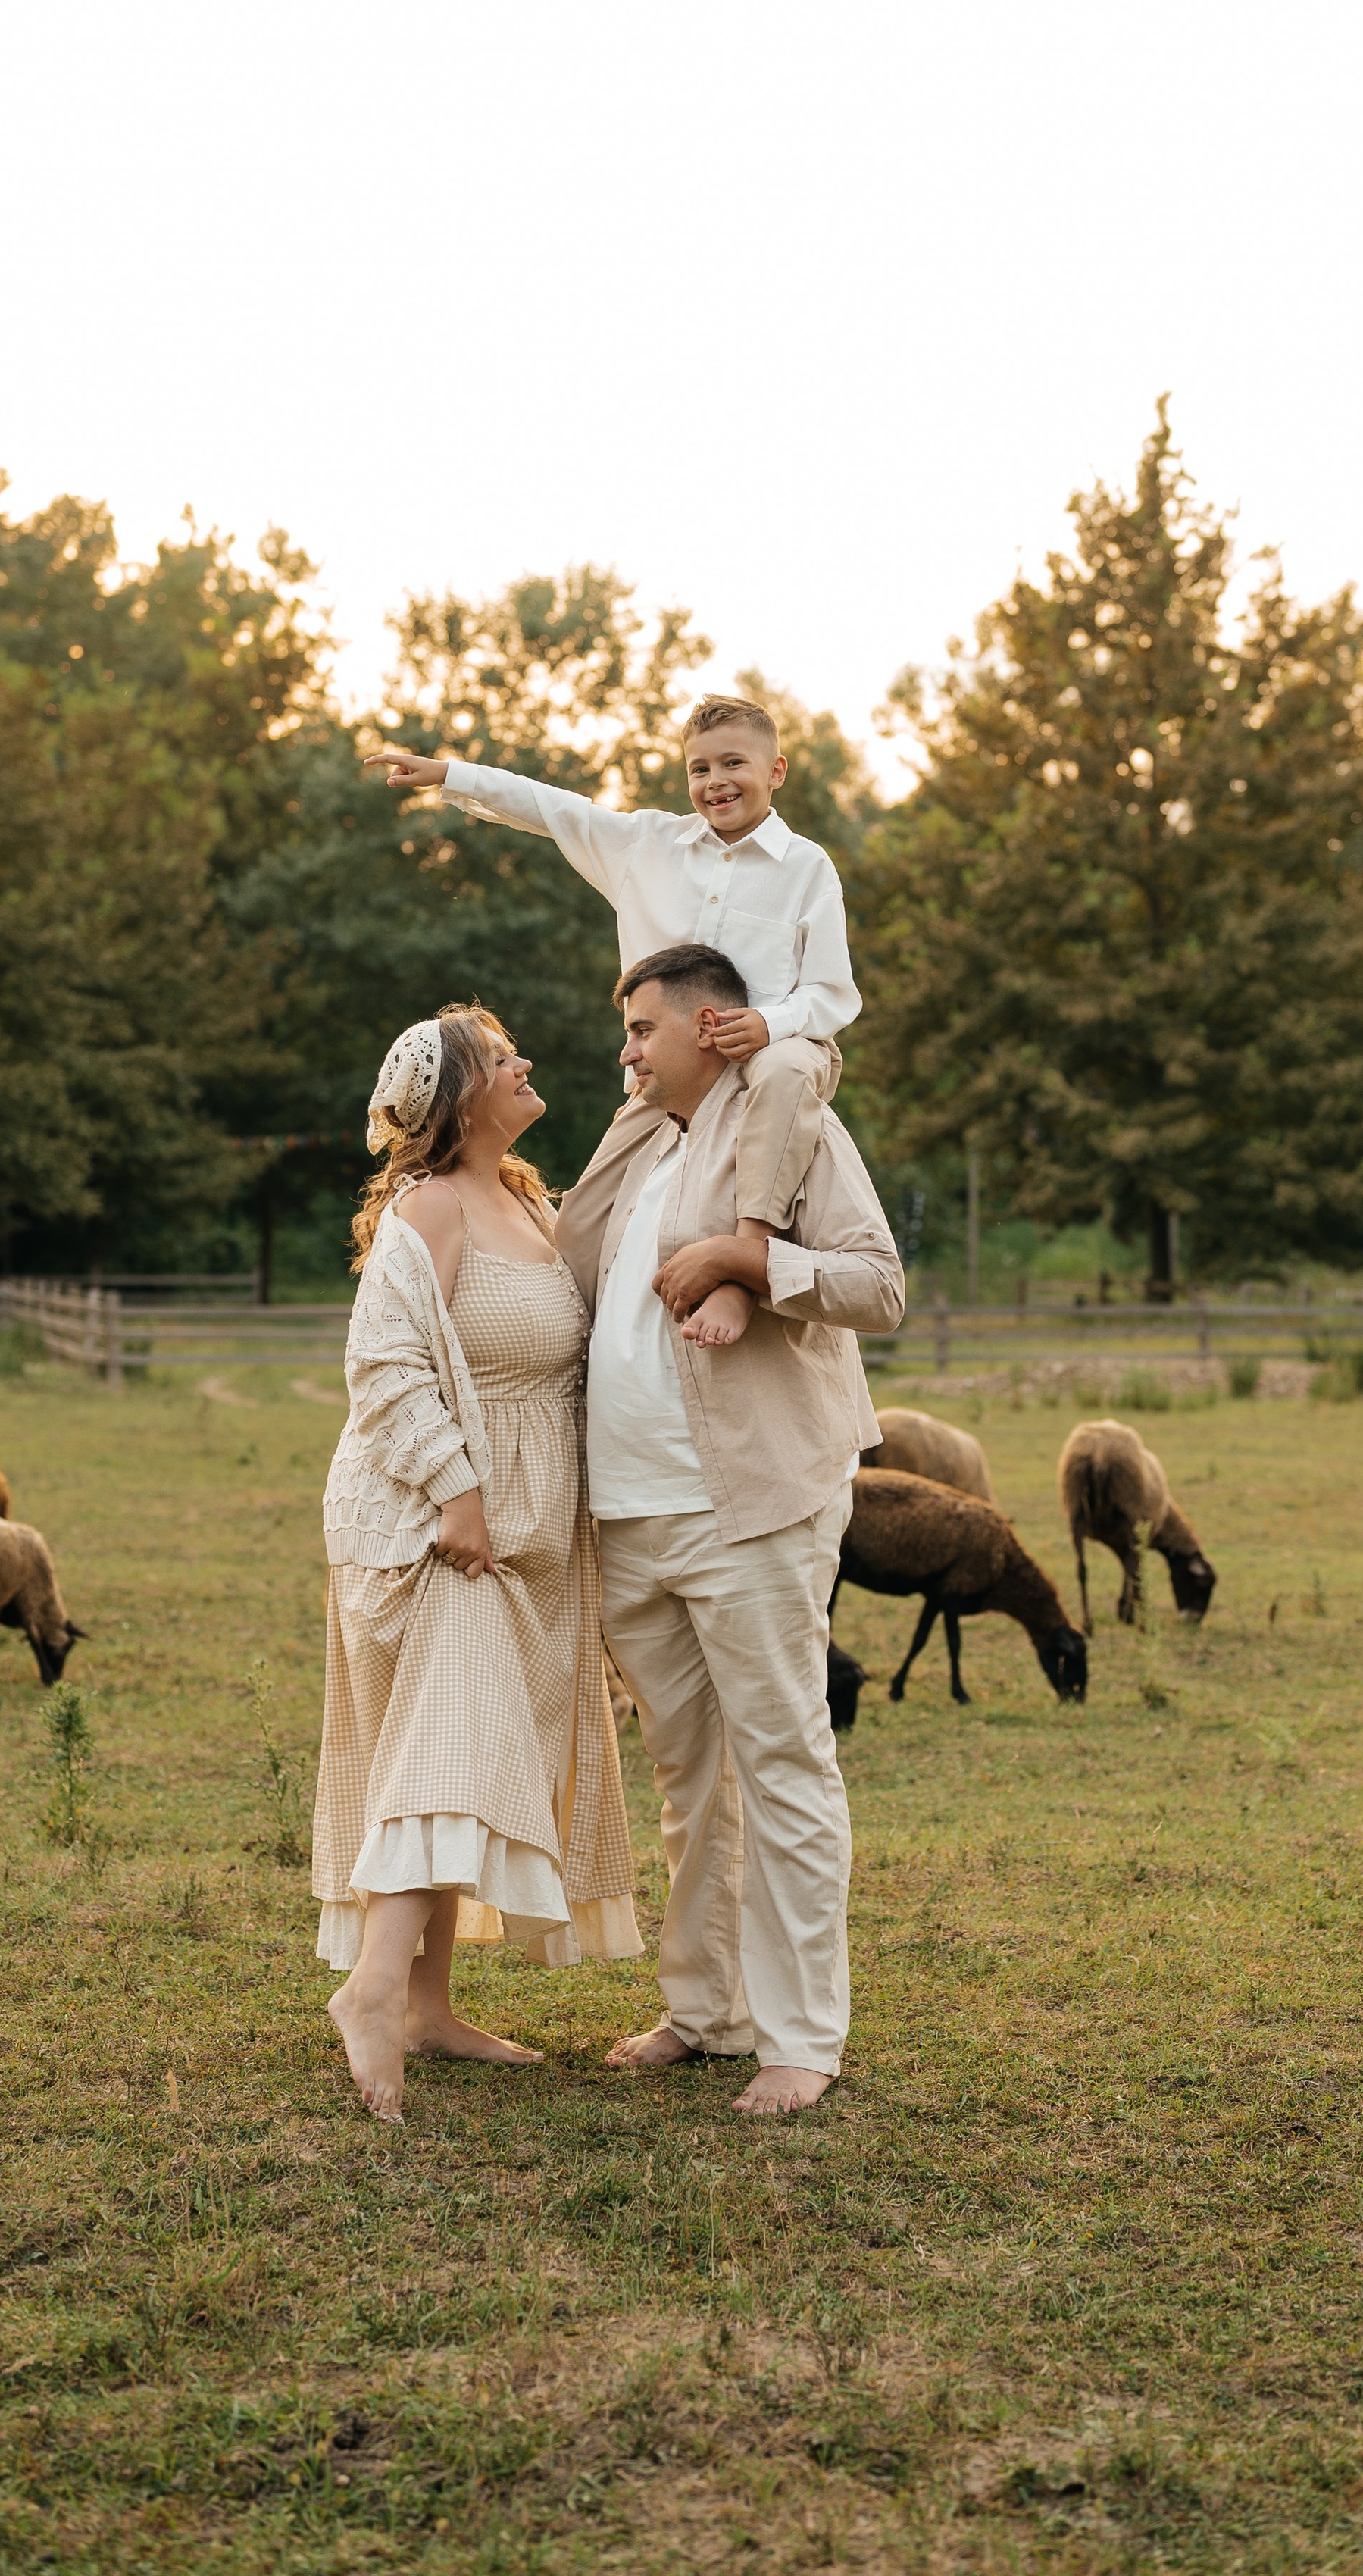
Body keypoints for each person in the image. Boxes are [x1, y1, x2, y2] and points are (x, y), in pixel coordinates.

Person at [554, 941, 905, 2117]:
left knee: (783, 1763)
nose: (626, 1050)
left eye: (643, 1029)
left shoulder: (789, 1122)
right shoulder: (639, 1143)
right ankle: (706, 2010)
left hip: (747, 1506)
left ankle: (802, 2037)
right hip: (632, 1511)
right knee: (688, 1776)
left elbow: (876, 1284)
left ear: (710, 1027)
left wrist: (749, 1259)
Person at [314, 1004, 641, 2125]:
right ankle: (371, 1992)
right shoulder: (432, 1206)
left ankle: (428, 2010)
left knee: (464, 1746)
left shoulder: (530, 1202)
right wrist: (458, 1492)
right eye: (505, 1060)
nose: (527, 1064)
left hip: (527, 1529)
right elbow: (386, 1364)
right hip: (430, 1516)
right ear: (461, 1098)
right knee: (452, 1742)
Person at [365, 696, 858, 1351]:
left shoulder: (807, 867)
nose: (716, 782)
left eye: (734, 763)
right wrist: (450, 776)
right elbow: (552, 807)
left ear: (776, 771)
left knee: (790, 1066)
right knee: (581, 1221)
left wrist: (771, 1023)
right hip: (670, 1074)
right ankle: (573, 1353)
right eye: (699, 768)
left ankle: (745, 1260)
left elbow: (832, 991)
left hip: (772, 1054)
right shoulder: (646, 845)